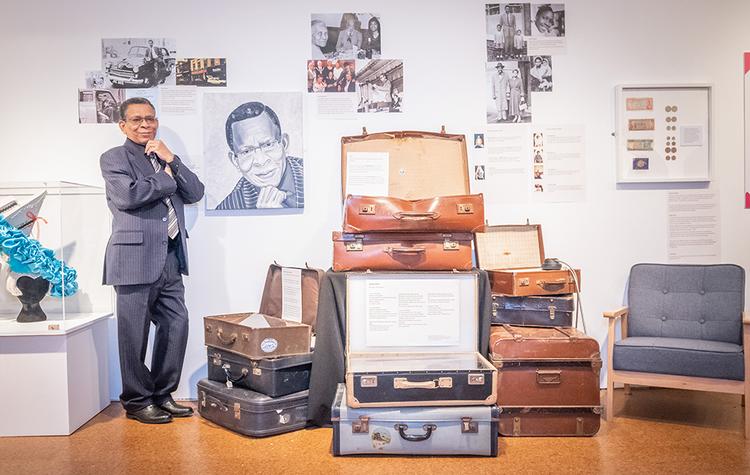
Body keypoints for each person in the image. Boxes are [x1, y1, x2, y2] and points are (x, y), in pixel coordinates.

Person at [100, 97, 205, 424]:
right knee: (134, 334)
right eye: (136, 120)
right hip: (133, 259)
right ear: (123, 125)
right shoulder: (114, 158)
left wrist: (171, 159)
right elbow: (127, 195)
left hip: (171, 256)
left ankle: (162, 394)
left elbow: (196, 192)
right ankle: (136, 401)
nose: (145, 125)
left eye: (150, 118)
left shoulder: (164, 157)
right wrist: (165, 177)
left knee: (177, 324)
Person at [216, 102, 304, 209]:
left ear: (284, 144)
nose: (261, 161)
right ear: (235, 161)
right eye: (246, 151)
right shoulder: (228, 207)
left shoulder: (315, 173)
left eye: (268, 145)